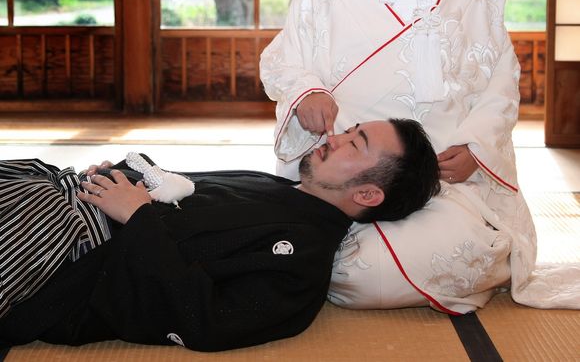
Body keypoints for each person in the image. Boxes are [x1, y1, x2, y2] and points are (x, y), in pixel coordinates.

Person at [260, 0, 579, 311]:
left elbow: (500, 74)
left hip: (444, 178)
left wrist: (476, 148)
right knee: (345, 261)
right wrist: (305, 91)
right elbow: (285, 56)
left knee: (374, 267)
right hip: (350, 180)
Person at [0, 118, 440, 352]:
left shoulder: (304, 266)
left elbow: (208, 321)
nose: (335, 137)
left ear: (367, 193)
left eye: (355, 144)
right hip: (61, 194)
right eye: (349, 130)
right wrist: (118, 179)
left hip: (68, 252)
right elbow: (175, 189)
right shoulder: (270, 183)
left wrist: (136, 217)